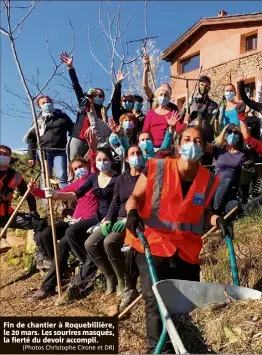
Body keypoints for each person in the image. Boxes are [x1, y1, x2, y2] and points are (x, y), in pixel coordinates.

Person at [124, 126, 233, 353]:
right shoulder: (157, 167)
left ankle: (184, 343)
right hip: (152, 243)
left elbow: (201, 212)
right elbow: (135, 197)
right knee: (156, 301)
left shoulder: (208, 180)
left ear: (204, 148)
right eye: (187, 139)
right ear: (177, 144)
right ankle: (158, 349)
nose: (192, 144)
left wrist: (216, 220)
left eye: (197, 141)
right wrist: (132, 212)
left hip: (186, 249)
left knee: (186, 302)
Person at [28, 156, 99, 301]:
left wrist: (92, 146)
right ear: (72, 172)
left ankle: (47, 286)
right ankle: (61, 268)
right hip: (74, 221)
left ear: (87, 165)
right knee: (48, 232)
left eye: (81, 166)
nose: (79, 170)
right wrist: (35, 191)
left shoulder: (96, 179)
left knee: (64, 242)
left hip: (88, 223)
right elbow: (56, 195)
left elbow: (93, 156)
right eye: (75, 168)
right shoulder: (77, 184)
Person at [85, 145, 144, 302]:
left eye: (139, 153)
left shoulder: (146, 177)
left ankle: (121, 280)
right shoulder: (122, 178)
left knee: (109, 242)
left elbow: (147, 202)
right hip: (117, 217)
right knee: (90, 243)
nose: (136, 156)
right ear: (126, 158)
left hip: (133, 219)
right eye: (132, 153)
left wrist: (128, 219)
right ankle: (109, 276)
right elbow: (115, 201)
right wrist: (108, 219)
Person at [60, 52, 108, 160]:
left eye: (100, 95)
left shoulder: (103, 111)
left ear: (103, 98)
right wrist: (70, 68)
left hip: (95, 141)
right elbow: (77, 87)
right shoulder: (84, 103)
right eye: (95, 94)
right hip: (79, 137)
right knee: (74, 163)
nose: (97, 96)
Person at [24, 95, 74, 187]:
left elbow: (73, 130)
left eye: (48, 102)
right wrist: (31, 156)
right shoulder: (37, 120)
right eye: (43, 103)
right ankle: (46, 201)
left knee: (62, 176)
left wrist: (73, 145)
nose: (47, 104)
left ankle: (65, 199)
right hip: (43, 152)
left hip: (60, 151)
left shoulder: (62, 117)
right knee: (45, 178)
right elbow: (31, 139)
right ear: (39, 106)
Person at [0, 145, 39, 253]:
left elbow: (28, 195)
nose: (2, 156)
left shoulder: (16, 176)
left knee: (38, 223)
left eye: (6, 154)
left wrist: (33, 211)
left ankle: (42, 258)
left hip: (7, 214)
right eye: (0, 154)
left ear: (10, 158)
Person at [205, 124, 246, 214]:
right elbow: (201, 142)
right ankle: (214, 211)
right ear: (225, 134)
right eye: (230, 132)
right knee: (225, 181)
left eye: (236, 133)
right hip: (216, 187)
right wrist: (199, 120)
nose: (233, 134)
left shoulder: (243, 154)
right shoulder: (219, 150)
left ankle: (217, 211)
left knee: (233, 208)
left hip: (231, 190)